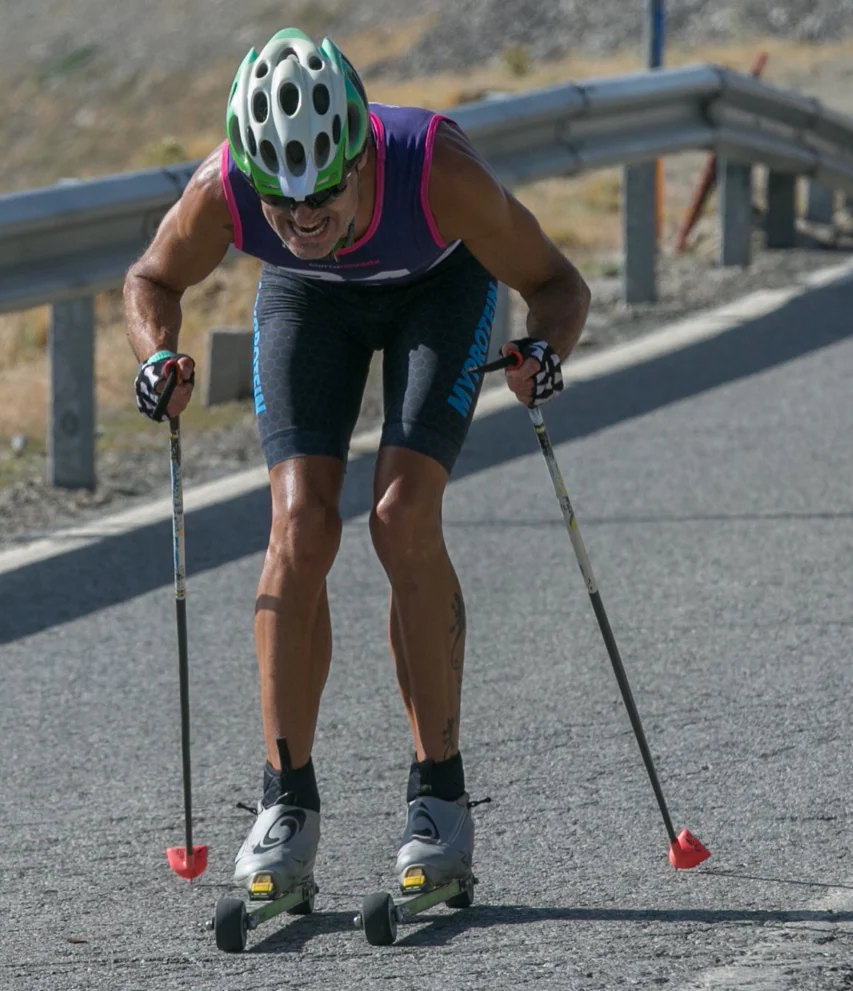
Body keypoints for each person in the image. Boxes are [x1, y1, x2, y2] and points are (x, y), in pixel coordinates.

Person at [122, 27, 591, 898]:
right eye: (279, 200)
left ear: (359, 157)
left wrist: (544, 354)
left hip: (439, 291)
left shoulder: (434, 168)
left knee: (400, 515)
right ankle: (285, 801)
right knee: (299, 528)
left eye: (324, 194)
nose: (304, 218)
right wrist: (157, 357)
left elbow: (560, 285)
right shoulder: (223, 186)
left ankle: (439, 796)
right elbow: (151, 280)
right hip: (311, 308)